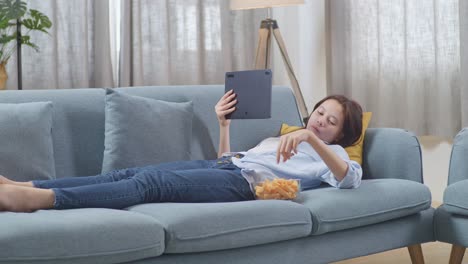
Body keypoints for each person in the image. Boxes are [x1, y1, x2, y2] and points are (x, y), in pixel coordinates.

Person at [0, 90, 363, 212]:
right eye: (319, 113)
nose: (320, 122)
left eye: (330, 122)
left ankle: (43, 200)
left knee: (150, 183)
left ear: (341, 134)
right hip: (226, 168)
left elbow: (349, 181)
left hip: (245, 186)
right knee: (128, 174)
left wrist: (309, 138)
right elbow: (227, 161)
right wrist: (223, 125)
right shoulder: (277, 141)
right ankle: (26, 185)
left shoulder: (334, 157)